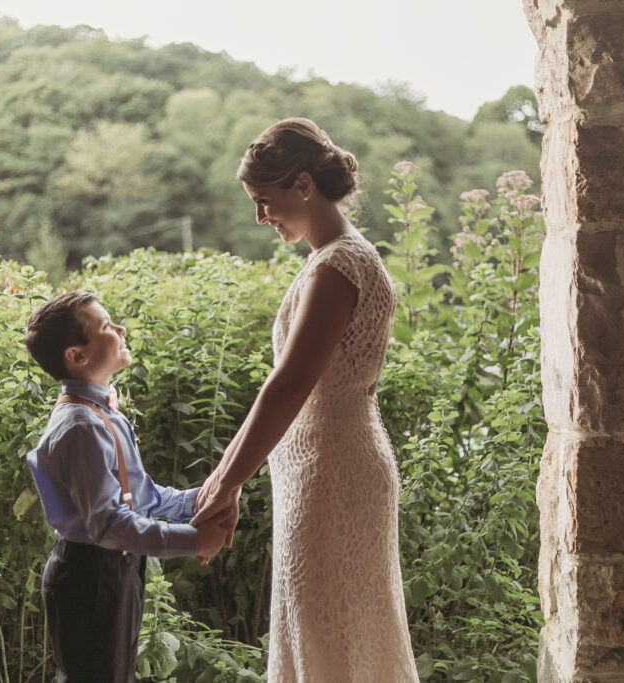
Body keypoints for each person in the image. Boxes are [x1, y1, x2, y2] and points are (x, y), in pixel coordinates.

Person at [192, 118, 419, 682]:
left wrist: (227, 482)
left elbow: (288, 386)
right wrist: (224, 475)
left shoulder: (339, 266)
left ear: (301, 185)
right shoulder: (333, 260)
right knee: (319, 632)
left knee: (331, 636)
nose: (260, 217)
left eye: (264, 201)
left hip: (334, 477)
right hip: (318, 472)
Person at [24, 292, 232, 682]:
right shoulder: (80, 425)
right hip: (90, 576)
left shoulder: (103, 413)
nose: (119, 329)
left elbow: (143, 498)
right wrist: (192, 541)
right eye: (105, 326)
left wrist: (208, 496)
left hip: (115, 568)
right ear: (77, 356)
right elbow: (107, 523)